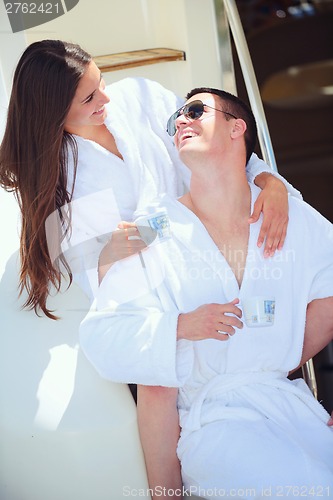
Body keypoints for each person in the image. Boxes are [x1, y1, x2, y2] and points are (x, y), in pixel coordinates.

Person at [79, 88, 333, 498]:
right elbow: (115, 344)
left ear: (237, 128)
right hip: (216, 427)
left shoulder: (285, 212)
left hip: (295, 414)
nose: (181, 120)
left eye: (195, 111)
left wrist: (272, 356)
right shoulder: (152, 231)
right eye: (175, 118)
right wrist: (178, 326)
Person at [0, 39, 300, 322]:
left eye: (100, 80)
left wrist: (269, 183)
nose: (106, 98)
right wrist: (109, 252)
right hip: (166, 298)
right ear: (53, 111)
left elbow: (217, 146)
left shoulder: (140, 98)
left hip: (229, 246)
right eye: (90, 98)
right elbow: (89, 268)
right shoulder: (58, 176)